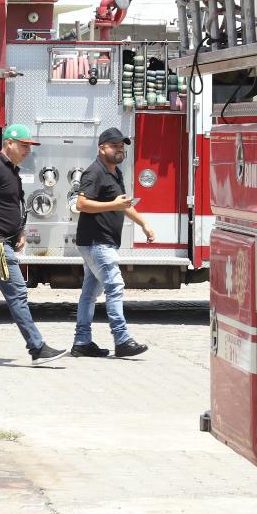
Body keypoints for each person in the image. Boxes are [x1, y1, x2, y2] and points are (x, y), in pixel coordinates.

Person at [0, 124, 66, 366]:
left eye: (30, 146)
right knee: (18, 294)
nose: (28, 150)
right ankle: (37, 348)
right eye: (24, 145)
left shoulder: (11, 171)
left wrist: (19, 231)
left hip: (0, 243)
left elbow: (10, 206)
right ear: (9, 143)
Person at [71, 126, 154, 358]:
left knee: (90, 293)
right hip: (97, 241)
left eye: (122, 147)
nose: (120, 150)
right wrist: (113, 205)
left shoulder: (115, 172)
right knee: (115, 287)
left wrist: (143, 224)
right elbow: (81, 204)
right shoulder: (94, 172)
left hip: (100, 242)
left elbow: (123, 204)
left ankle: (82, 341)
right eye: (115, 146)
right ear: (101, 148)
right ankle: (122, 339)